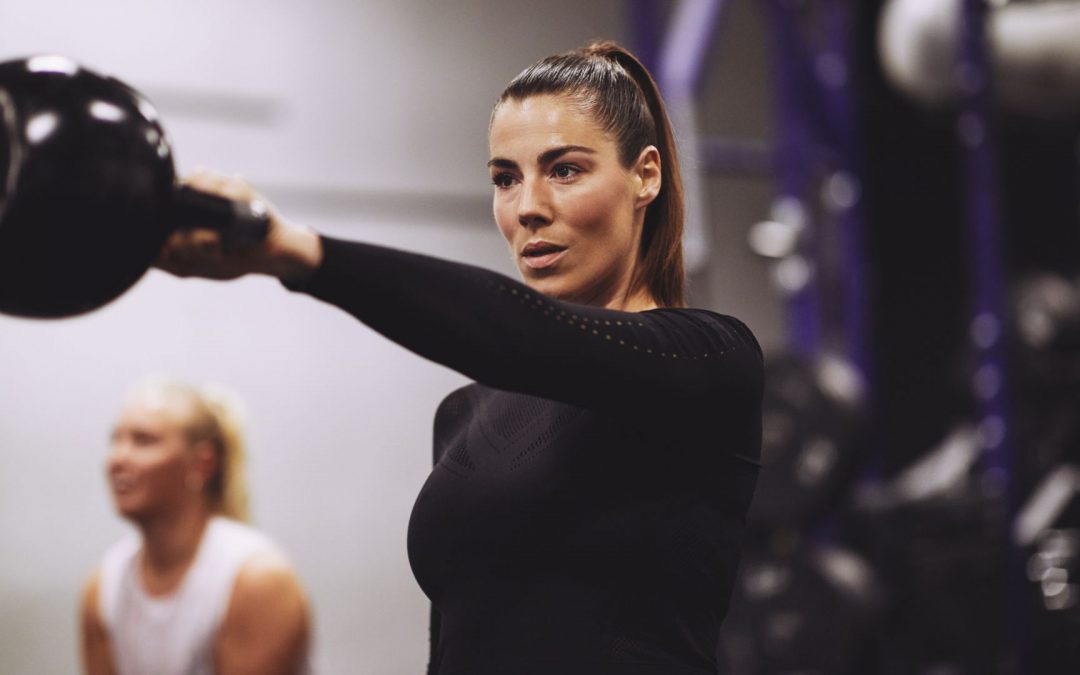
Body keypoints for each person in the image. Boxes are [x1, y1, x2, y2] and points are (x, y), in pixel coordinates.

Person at [159, 40, 763, 675]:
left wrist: (297, 253)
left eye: (564, 170)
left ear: (646, 175)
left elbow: (523, 336)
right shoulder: (468, 413)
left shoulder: (710, 360)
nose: (528, 207)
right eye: (505, 178)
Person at [79, 379, 313, 675]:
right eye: (116, 440)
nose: (117, 459)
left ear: (203, 463)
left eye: (144, 440)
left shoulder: (256, 581)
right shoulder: (103, 588)